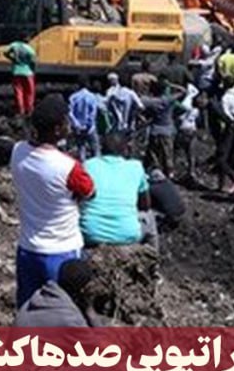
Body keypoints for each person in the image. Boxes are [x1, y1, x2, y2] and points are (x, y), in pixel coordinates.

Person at [10, 94, 95, 308]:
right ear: (58, 129)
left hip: (28, 249)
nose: (70, 124)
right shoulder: (68, 167)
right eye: (67, 120)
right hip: (61, 251)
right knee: (63, 312)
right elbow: (90, 192)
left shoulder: (17, 152)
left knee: (27, 311)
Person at [78, 132, 152, 247]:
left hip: (90, 233)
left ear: (101, 148)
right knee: (150, 216)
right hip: (127, 234)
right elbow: (145, 205)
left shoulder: (88, 165)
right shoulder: (136, 167)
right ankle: (153, 257)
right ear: (125, 149)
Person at [142, 79, 178, 179]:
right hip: (167, 130)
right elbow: (184, 91)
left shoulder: (151, 101)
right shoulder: (169, 100)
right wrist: (171, 84)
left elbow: (141, 103)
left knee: (154, 153)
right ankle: (169, 174)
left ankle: (156, 171)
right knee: (168, 154)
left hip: (155, 129)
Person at [67, 77, 102, 161]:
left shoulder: (73, 97)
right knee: (96, 150)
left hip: (78, 129)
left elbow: (70, 112)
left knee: (81, 149)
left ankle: (84, 167)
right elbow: (93, 113)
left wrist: (77, 124)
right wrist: (88, 124)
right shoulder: (92, 96)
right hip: (90, 128)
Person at [6, 38, 38, 117]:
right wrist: (33, 69)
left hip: (16, 71)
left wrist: (12, 59)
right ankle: (29, 109)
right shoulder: (29, 49)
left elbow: (6, 53)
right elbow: (33, 61)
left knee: (18, 92)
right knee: (29, 92)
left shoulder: (14, 45)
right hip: (28, 72)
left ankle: (21, 110)